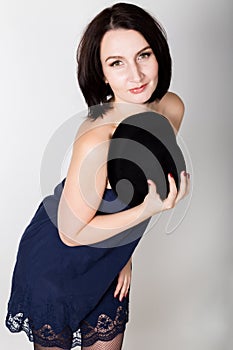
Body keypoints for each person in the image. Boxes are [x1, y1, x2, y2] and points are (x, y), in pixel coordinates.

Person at [5, 3, 190, 350]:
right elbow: (72, 233)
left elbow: (139, 186)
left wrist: (123, 253)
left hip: (109, 254)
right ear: (102, 73)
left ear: (158, 55)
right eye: (116, 63)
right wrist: (148, 212)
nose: (135, 76)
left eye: (144, 55)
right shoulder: (97, 136)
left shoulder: (171, 108)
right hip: (59, 262)